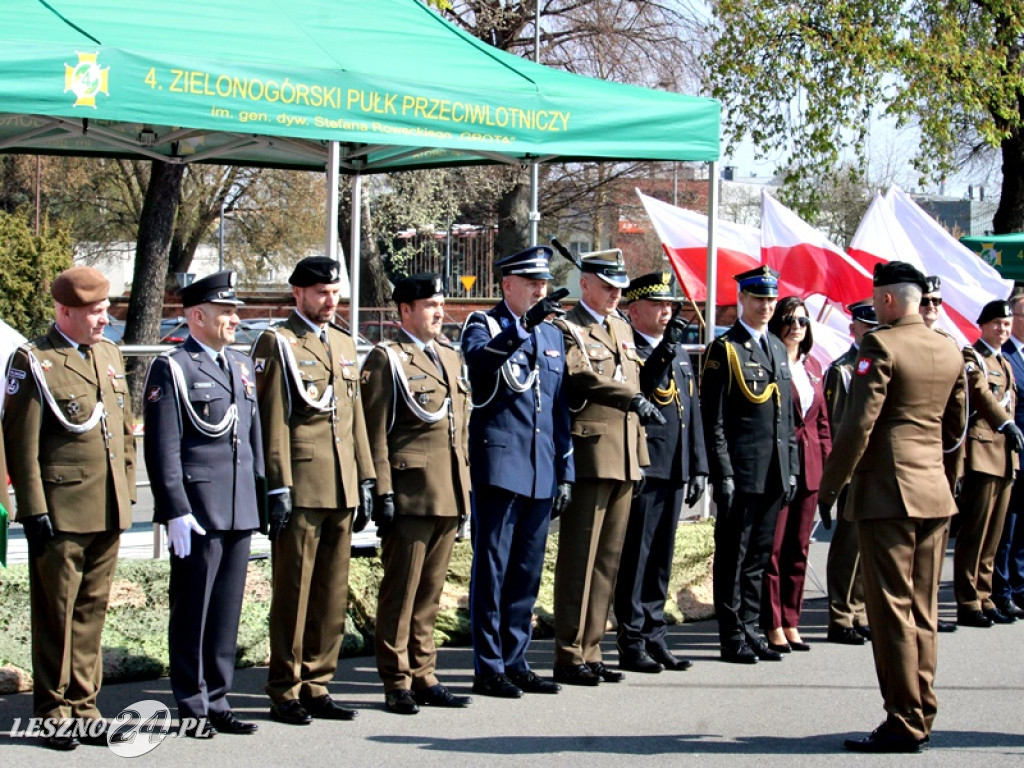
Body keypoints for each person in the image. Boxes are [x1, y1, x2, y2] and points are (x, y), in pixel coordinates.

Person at [818, 261, 966, 754]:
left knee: (890, 613)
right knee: (922, 611)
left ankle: (903, 720)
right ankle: (921, 708)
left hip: (888, 494)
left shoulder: (879, 345)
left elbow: (857, 426)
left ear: (885, 300)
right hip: (933, 491)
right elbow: (956, 427)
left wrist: (830, 488)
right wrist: (948, 477)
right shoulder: (947, 347)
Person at [3, 266, 135, 751]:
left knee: (92, 613)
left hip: (107, 507)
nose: (105, 320)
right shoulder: (34, 361)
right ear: (65, 311)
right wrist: (33, 509)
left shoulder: (109, 355)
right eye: (95, 312)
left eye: (105, 310)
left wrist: (127, 494)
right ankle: (53, 711)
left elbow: (122, 432)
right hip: (60, 510)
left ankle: (85, 708)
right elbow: (21, 443)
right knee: (57, 614)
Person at [252, 256, 375, 725]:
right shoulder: (278, 342)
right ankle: (285, 688)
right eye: (321, 292)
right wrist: (278, 484)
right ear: (298, 293)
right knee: (294, 591)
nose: (331, 300)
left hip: (341, 483)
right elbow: (273, 419)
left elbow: (355, 417)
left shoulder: (343, 343)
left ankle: (319, 682)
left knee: (330, 592)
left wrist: (365, 476)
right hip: (302, 484)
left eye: (335, 291)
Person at [144, 270, 264, 738]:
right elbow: (163, 446)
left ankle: (219, 697)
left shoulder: (240, 364)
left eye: (236, 311)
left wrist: (261, 495)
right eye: (225, 311)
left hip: (237, 506)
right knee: (194, 608)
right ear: (197, 316)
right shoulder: (174, 366)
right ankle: (192, 703)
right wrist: (174, 509)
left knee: (226, 609)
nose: (235, 318)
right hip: (198, 508)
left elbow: (250, 439)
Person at [462, 246, 573, 698]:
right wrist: (522, 328)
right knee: (492, 569)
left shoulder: (552, 336)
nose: (539, 290)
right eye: (531, 282)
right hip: (501, 465)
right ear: (507, 284)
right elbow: (480, 363)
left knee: (526, 571)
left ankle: (516, 658)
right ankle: (489, 666)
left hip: (540, 467)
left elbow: (560, 407)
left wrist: (566, 469)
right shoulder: (483, 324)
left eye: (543, 284)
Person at [550, 249, 665, 686]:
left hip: (624, 456)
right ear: (586, 284)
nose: (616, 294)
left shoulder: (621, 327)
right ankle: (569, 651)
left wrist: (640, 454)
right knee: (580, 557)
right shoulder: (567, 327)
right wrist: (632, 399)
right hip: (591, 454)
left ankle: (593, 648)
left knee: (607, 560)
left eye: (620, 287)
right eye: (608, 286)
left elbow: (635, 382)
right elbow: (581, 378)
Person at [360, 273, 473, 715]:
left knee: (429, 594)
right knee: (401, 593)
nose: (438, 311)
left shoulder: (450, 355)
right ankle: (396, 679)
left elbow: (458, 431)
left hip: (448, 490)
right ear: (405, 311)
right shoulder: (387, 358)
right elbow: (375, 433)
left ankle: (425, 674)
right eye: (429, 305)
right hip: (410, 494)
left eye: (440, 303)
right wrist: (382, 490)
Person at [701, 265, 798, 664]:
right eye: (759, 299)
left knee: (760, 556)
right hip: (742, 470)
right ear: (741, 298)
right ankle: (731, 634)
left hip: (774, 469)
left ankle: (753, 627)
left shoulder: (775, 346)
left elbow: (785, 417)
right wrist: (722, 471)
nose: (766, 306)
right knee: (734, 555)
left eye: (771, 300)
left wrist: (790, 467)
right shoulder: (725, 349)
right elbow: (715, 419)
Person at [613, 272, 707, 673]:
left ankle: (656, 634)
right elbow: (643, 387)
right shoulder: (628, 347)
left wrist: (698, 465)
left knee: (661, 560)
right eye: (658, 305)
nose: (667, 311)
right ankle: (631, 639)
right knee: (637, 557)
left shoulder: (680, 351)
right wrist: (665, 349)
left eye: (670, 305)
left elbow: (692, 412)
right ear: (634, 310)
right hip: (645, 466)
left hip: (674, 467)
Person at [762, 297, 831, 653]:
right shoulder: (770, 361)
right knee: (774, 549)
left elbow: (821, 423)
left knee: (799, 549)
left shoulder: (814, 365)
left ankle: (792, 619)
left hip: (811, 468)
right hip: (779, 467)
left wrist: (827, 461)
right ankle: (772, 622)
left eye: (802, 321)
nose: (796, 327)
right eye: (789, 319)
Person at [953, 300, 1023, 627]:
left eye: (1006, 324)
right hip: (983, 452)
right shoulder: (973, 356)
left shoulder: (1005, 362)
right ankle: (968, 601)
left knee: (994, 535)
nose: (1002, 329)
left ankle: (985, 595)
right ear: (982, 325)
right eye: (996, 323)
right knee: (975, 532)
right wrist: (1006, 425)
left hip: (1006, 457)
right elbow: (980, 393)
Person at [822, 299, 876, 646]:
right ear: (852, 328)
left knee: (867, 545)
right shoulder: (842, 370)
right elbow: (836, 424)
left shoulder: (882, 363)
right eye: (866, 328)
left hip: (879, 468)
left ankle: (858, 611)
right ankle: (841, 615)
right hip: (853, 468)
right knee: (848, 544)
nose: (873, 334)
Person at [919, 275, 963, 633]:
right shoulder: (895, 344)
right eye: (925, 301)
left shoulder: (951, 346)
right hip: (907, 461)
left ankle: (928, 608)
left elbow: (960, 408)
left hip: (941, 455)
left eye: (936, 302)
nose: (931, 308)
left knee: (935, 542)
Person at [994, 292, 1024, 619]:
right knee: (1007, 528)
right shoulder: (1006, 357)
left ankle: (1019, 585)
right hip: (1011, 453)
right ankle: (1002, 590)